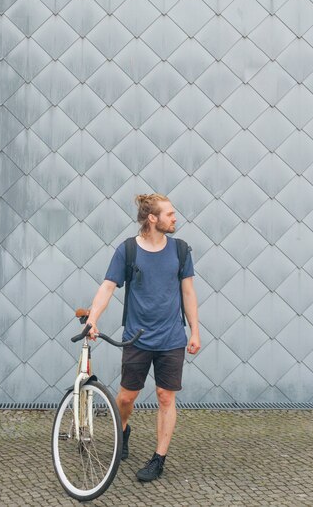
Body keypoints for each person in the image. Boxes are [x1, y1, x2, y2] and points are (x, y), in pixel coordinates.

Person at [86, 193, 201, 482]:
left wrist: (195, 330)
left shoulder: (181, 251)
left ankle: (158, 458)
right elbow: (108, 287)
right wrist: (92, 319)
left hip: (172, 338)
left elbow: (188, 292)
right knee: (126, 398)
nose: (175, 218)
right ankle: (123, 429)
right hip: (137, 339)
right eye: (170, 214)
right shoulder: (128, 251)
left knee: (165, 396)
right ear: (153, 218)